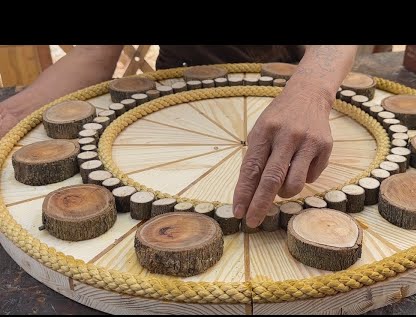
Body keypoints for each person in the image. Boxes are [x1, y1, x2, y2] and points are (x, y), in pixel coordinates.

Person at [0, 45, 358, 228]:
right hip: (170, 94)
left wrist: (312, 92)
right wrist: (14, 113)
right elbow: (96, 52)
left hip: (293, 84)